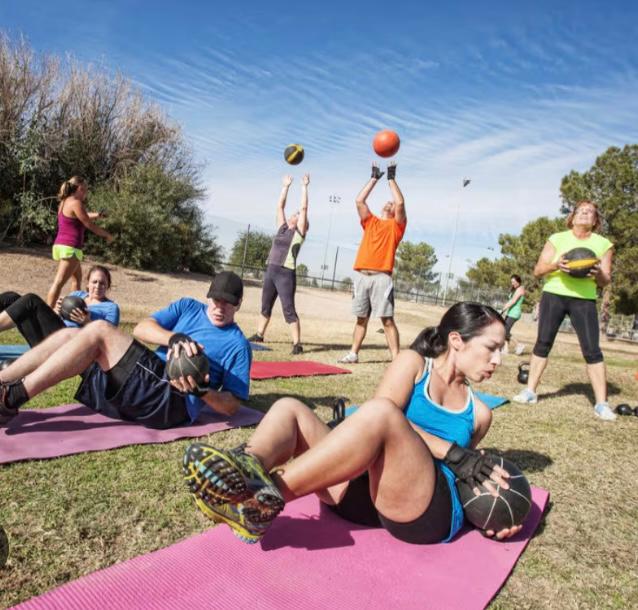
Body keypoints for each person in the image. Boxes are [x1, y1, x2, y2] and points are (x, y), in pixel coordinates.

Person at [183, 302, 522, 546]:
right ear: (457, 341)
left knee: (382, 414)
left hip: (422, 510)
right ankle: (245, 467)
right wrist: (453, 451)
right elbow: (375, 423)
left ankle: (255, 502)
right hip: (360, 497)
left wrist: (493, 513)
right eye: (492, 348)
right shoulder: (414, 364)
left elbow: (462, 476)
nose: (497, 360)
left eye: (501, 351)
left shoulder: (480, 413)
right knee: (290, 408)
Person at [0, 271, 251, 429]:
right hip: (149, 378)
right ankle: (3, 381)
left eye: (228, 303)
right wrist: (173, 337)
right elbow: (142, 328)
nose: (220, 307)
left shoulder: (238, 345)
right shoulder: (188, 307)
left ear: (238, 304)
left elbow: (232, 406)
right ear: (208, 296)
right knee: (69, 335)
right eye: (216, 300)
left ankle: (11, 398)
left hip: (172, 403)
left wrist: (202, 392)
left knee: (99, 329)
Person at [512, 200, 616, 421]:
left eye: (590, 212)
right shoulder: (557, 239)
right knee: (543, 343)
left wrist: (597, 273)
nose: (585, 214)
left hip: (584, 300)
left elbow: (605, 280)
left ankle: (601, 404)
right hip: (554, 295)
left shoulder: (604, 244)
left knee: (592, 350)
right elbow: (538, 270)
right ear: (573, 217)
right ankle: (530, 392)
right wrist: (556, 265)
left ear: (595, 220)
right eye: (581, 211)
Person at [339, 163, 406, 364]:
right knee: (361, 318)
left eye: (391, 204)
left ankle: (396, 360)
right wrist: (374, 178)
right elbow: (359, 200)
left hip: (381, 278)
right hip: (361, 276)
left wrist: (391, 178)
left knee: (387, 320)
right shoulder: (370, 222)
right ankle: (353, 354)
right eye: (387, 202)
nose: (389, 203)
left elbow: (400, 203)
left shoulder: (396, 227)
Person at [249, 174, 309, 355]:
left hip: (285, 273)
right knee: (265, 305)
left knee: (288, 309)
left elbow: (304, 208)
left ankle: (297, 344)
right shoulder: (282, 228)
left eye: (297, 215)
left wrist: (304, 187)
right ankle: (259, 334)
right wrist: (285, 187)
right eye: (295, 213)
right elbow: (280, 206)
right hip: (271, 270)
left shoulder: (299, 233)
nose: (295, 214)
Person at [0, 266, 120, 349]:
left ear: (108, 286)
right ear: (88, 284)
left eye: (102, 283)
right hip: (48, 337)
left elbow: (108, 339)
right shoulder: (77, 295)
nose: (98, 286)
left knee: (31, 300)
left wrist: (87, 322)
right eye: (94, 282)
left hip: (65, 345)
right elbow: (54, 319)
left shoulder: (111, 308)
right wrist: (57, 311)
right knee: (11, 297)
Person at [46, 176, 114, 308]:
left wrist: (98, 215)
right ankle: (47, 313)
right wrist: (107, 235)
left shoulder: (65, 202)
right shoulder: (76, 203)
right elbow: (88, 224)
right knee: (59, 282)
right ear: (79, 188)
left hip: (62, 245)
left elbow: (82, 216)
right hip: (70, 247)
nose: (86, 193)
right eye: (85, 190)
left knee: (76, 280)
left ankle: (72, 309)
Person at [500, 274, 526, 355]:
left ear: (518, 281)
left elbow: (513, 301)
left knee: (505, 331)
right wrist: (504, 308)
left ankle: (519, 344)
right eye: (511, 282)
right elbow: (510, 300)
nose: (512, 283)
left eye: (514, 282)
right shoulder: (515, 289)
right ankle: (505, 349)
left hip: (514, 313)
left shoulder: (520, 289)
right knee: (505, 330)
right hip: (510, 312)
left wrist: (503, 309)